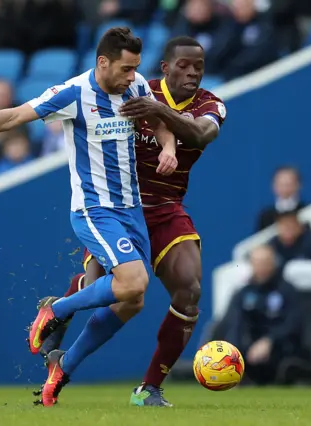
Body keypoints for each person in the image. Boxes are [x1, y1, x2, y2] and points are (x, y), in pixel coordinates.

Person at [0, 27, 177, 407]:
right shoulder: (73, 93)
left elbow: (160, 121)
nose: (131, 76)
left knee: (132, 300)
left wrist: (168, 146)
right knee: (133, 280)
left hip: (131, 209)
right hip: (94, 209)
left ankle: (63, 367)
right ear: (102, 62)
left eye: (135, 68)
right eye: (125, 68)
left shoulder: (136, 86)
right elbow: (13, 116)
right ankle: (54, 311)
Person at [41, 36, 227, 407]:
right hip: (118, 210)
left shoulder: (210, 103)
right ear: (165, 67)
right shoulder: (134, 86)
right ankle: (67, 302)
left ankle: (149, 389)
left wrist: (158, 112)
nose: (192, 73)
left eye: (198, 67)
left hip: (166, 208)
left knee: (189, 291)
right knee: (109, 292)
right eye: (184, 66)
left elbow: (201, 133)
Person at [223, 245, 303, 385]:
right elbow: (233, 323)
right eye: (258, 262)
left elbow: (294, 324)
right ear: (252, 264)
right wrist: (233, 353)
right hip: (247, 350)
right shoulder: (243, 293)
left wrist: (270, 340)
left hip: (279, 350)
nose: (262, 267)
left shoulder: (287, 291)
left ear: (273, 263)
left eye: (266, 262)